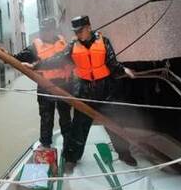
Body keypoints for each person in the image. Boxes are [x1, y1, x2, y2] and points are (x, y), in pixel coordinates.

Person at [35, 15, 138, 173]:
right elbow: (56, 59)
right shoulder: (72, 46)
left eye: (80, 31)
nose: (77, 34)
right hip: (84, 90)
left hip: (105, 89)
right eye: (75, 32)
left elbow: (112, 62)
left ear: (89, 28)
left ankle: (124, 154)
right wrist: (35, 65)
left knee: (115, 123)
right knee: (79, 126)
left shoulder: (104, 42)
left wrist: (123, 69)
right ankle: (71, 158)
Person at [14, 18, 73, 150]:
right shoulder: (35, 47)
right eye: (42, 30)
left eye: (47, 30)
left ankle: (68, 145)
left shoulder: (64, 43)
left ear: (53, 30)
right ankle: (46, 145)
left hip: (64, 85)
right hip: (45, 86)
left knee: (65, 117)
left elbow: (66, 60)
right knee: (46, 117)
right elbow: (18, 57)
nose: (44, 33)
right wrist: (7, 56)